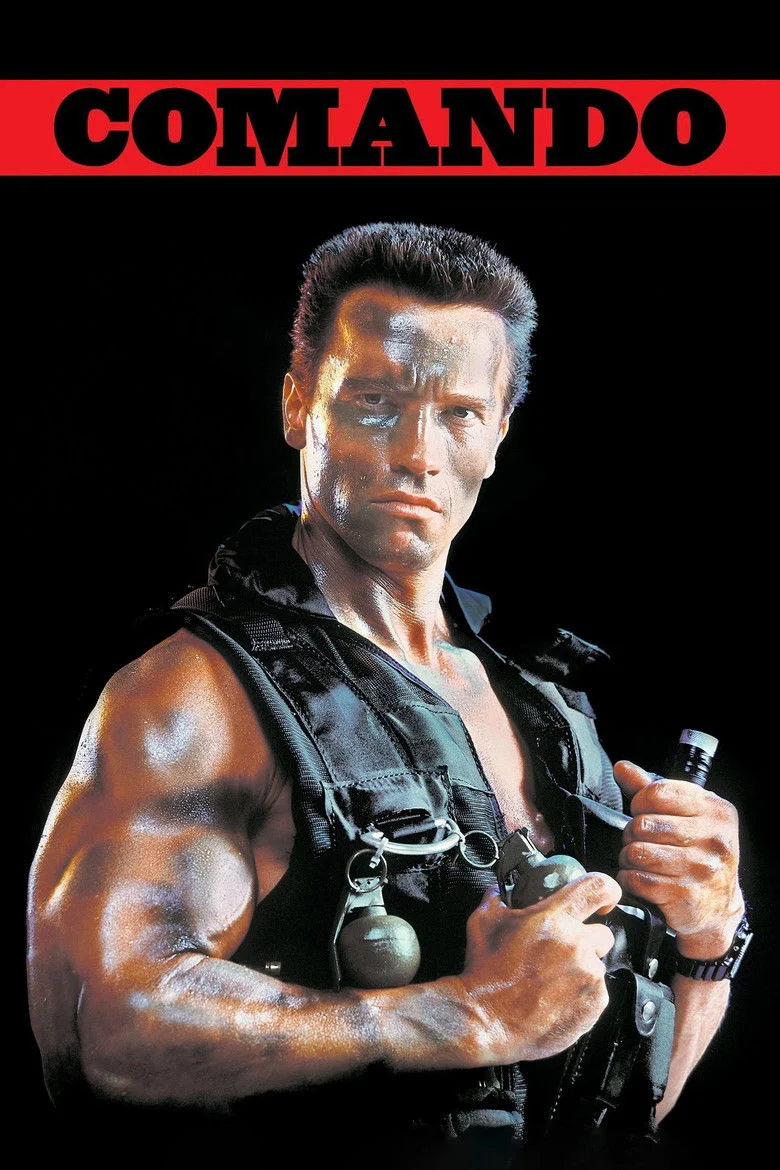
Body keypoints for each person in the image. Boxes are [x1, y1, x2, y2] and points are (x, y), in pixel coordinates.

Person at [27, 223, 747, 1168]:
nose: (417, 453)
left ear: (498, 434)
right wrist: (471, 1016)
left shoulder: (544, 710)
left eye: (459, 413)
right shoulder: (192, 695)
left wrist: (707, 938)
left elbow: (619, 1103)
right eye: (375, 402)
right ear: (299, 406)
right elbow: (103, 1024)